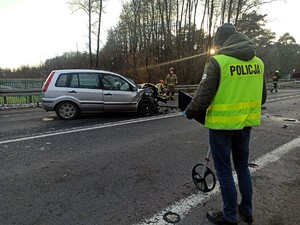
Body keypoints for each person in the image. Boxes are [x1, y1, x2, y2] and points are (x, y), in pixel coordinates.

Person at [184, 23, 267, 225]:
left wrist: (189, 112)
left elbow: (203, 97)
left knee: (223, 171)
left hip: (221, 128)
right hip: (245, 125)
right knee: (242, 168)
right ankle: (247, 211)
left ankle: (230, 217)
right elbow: (262, 97)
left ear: (221, 42)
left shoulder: (218, 62)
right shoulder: (258, 63)